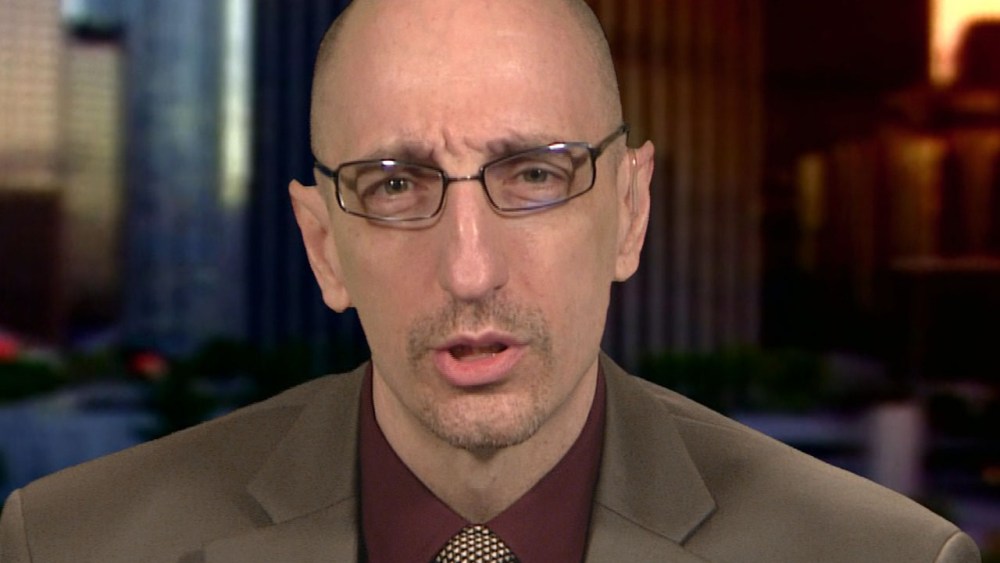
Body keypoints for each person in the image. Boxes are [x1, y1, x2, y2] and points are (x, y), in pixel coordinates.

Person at [0, 0, 982, 561]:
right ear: (323, 245)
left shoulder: (882, 559)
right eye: (395, 185)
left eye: (535, 176)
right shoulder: (71, 543)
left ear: (629, 210)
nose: (469, 270)